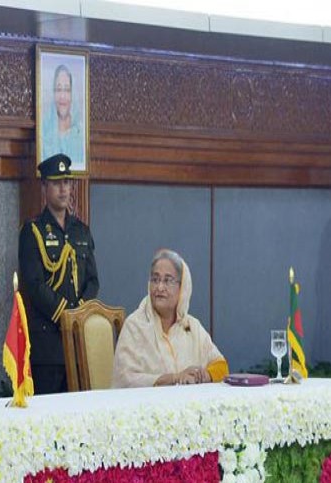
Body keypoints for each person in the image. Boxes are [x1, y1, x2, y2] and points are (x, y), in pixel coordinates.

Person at [18, 153, 99, 394]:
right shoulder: (33, 231)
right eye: (56, 183)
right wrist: (65, 314)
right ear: (44, 186)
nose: (63, 190)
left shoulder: (81, 231)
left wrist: (80, 313)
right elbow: (34, 284)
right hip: (49, 346)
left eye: (67, 182)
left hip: (79, 342)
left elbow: (93, 280)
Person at [112, 249, 229, 388]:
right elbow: (125, 379)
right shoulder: (135, 326)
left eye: (168, 280)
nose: (160, 287)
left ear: (182, 288)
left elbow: (221, 366)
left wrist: (206, 375)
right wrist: (174, 378)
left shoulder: (192, 326)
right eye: (155, 280)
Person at [40, 64, 84, 167]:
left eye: (67, 90)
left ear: (73, 94)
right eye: (58, 90)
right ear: (53, 93)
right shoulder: (44, 133)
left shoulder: (81, 134)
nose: (62, 96)